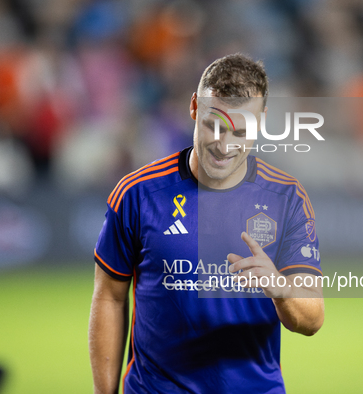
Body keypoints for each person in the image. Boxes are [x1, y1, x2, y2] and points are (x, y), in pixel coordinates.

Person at [89, 53, 324, 394]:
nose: (224, 145)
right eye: (214, 125)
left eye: (240, 131)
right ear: (195, 107)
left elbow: (312, 320)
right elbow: (110, 297)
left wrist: (281, 289)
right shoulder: (138, 195)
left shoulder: (286, 198)